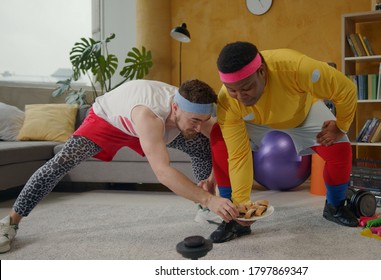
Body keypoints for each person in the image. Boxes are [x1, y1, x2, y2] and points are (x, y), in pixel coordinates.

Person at [0, 79, 239, 253]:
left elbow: (219, 142)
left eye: (203, 121)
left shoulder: (190, 110)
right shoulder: (151, 114)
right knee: (60, 164)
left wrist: (211, 180)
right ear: (175, 108)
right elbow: (163, 172)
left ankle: (204, 210)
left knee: (200, 145)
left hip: (157, 125)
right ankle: (10, 222)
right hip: (108, 121)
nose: (199, 127)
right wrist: (211, 199)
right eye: (195, 121)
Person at [208, 41, 358, 243]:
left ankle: (335, 206)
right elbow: (238, 156)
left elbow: (346, 89)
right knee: (219, 136)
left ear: (261, 71)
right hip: (255, 121)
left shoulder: (296, 67)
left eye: (246, 88)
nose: (240, 97)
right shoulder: (228, 102)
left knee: (340, 149)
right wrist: (242, 207)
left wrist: (341, 126)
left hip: (300, 112)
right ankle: (231, 217)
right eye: (232, 90)